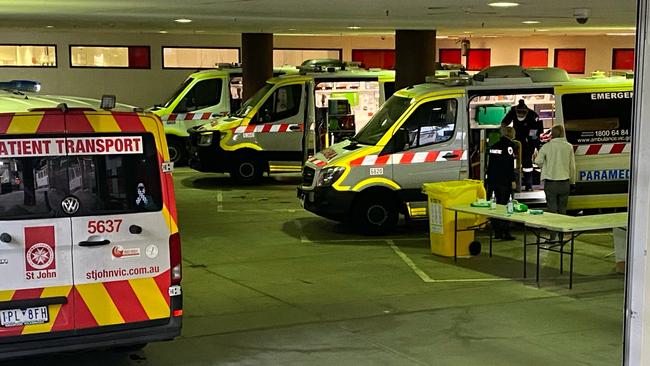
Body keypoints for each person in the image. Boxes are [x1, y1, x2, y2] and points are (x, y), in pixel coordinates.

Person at [501, 99, 543, 191]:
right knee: (511, 162)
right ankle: (512, 182)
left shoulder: (533, 116)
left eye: (522, 112)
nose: (520, 114)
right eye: (518, 112)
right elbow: (504, 123)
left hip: (528, 141)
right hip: (515, 139)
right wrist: (505, 134)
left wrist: (534, 145)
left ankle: (528, 184)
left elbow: (535, 133)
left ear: (526, 111)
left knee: (527, 164)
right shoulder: (512, 111)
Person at [534, 124, 576, 216]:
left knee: (552, 211)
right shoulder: (569, 146)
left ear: (552, 134)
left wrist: (545, 167)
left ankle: (554, 229)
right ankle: (562, 229)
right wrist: (572, 182)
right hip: (564, 183)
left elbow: (537, 161)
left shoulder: (546, 146)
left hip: (551, 183)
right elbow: (572, 166)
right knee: (563, 210)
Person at [486, 126, 518, 240]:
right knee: (505, 206)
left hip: (493, 180)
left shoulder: (494, 146)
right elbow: (509, 165)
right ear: (511, 134)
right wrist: (513, 180)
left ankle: (497, 232)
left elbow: (490, 165)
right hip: (504, 181)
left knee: (495, 206)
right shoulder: (510, 146)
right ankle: (505, 232)